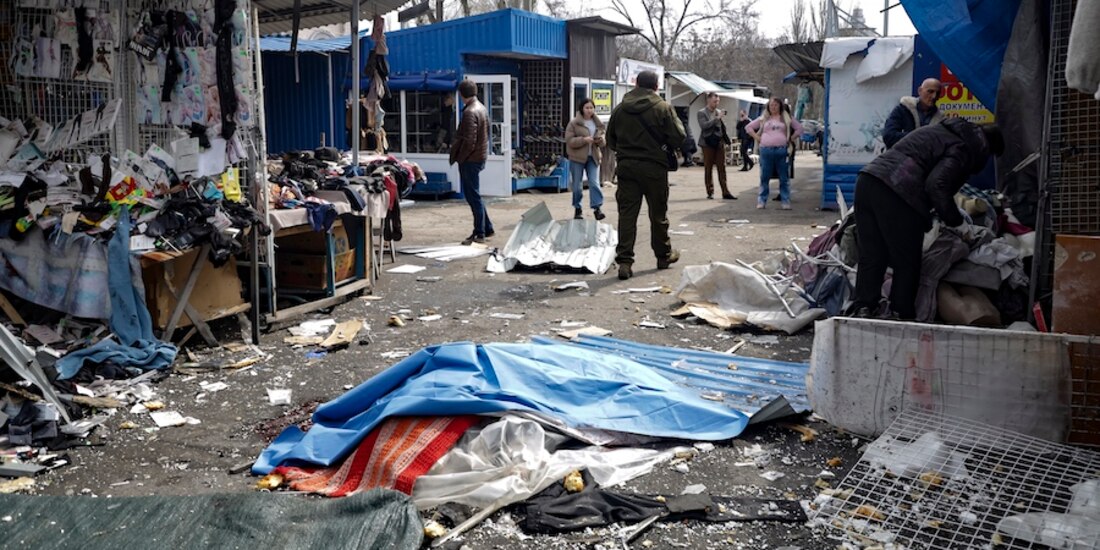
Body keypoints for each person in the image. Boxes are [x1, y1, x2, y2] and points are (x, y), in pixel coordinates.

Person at [852, 118, 1004, 319]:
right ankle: (900, 314)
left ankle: (864, 308)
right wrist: (958, 223)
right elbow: (937, 185)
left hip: (867, 181)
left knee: (872, 254)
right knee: (907, 261)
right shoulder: (963, 147)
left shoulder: (942, 131)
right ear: (987, 148)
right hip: (898, 190)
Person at [607, 70, 685, 281]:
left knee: (627, 215)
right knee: (658, 214)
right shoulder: (663, 108)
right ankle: (663, 256)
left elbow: (611, 140)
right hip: (654, 168)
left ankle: (625, 262)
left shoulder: (620, 109)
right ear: (656, 86)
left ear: (636, 84)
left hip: (626, 168)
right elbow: (679, 137)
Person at [449, 79, 494, 245]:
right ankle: (487, 227)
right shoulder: (481, 108)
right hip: (479, 157)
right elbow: (486, 133)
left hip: (471, 159)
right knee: (475, 195)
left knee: (473, 196)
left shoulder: (470, 112)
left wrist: (460, 158)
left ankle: (479, 232)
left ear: (461, 94)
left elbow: (469, 141)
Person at [746, 97, 802, 210]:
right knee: (764, 177)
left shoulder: (786, 118)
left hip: (782, 150)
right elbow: (748, 127)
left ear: (780, 106)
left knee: (784, 177)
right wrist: (757, 137)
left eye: (776, 105)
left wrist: (791, 138)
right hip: (766, 150)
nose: (773, 107)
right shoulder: (764, 118)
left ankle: (785, 201)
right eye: (771, 105)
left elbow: (799, 129)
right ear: (768, 106)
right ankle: (762, 201)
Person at [564, 97, 607, 220]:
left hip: (593, 157)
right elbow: (569, 140)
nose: (589, 110)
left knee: (594, 183)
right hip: (577, 158)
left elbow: (604, 142)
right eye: (587, 108)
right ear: (582, 109)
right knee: (577, 186)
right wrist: (584, 140)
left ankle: (597, 208)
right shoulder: (574, 123)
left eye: (591, 108)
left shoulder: (598, 123)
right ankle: (578, 209)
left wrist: (600, 140)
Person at [883, 78, 944, 149]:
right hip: (902, 155)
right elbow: (889, 136)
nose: (934, 96)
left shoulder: (941, 119)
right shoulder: (902, 109)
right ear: (920, 91)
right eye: (930, 91)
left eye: (937, 93)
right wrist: (921, 138)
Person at [696, 92, 735, 200]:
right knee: (708, 167)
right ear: (708, 100)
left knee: (722, 167)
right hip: (707, 143)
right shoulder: (702, 112)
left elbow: (721, 127)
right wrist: (717, 118)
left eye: (718, 101)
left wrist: (725, 139)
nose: (716, 103)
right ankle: (710, 191)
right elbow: (704, 126)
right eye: (714, 101)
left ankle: (725, 191)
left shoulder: (718, 112)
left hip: (719, 142)